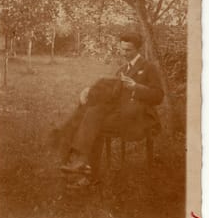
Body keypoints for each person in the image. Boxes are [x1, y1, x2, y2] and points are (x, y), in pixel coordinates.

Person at [59, 30, 164, 182]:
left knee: (94, 123)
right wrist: (89, 91)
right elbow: (113, 96)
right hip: (120, 113)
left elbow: (158, 96)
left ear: (138, 49)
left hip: (139, 117)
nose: (124, 53)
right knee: (93, 112)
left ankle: (85, 169)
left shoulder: (149, 67)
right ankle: (82, 165)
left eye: (128, 50)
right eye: (122, 49)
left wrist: (136, 87)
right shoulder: (122, 70)